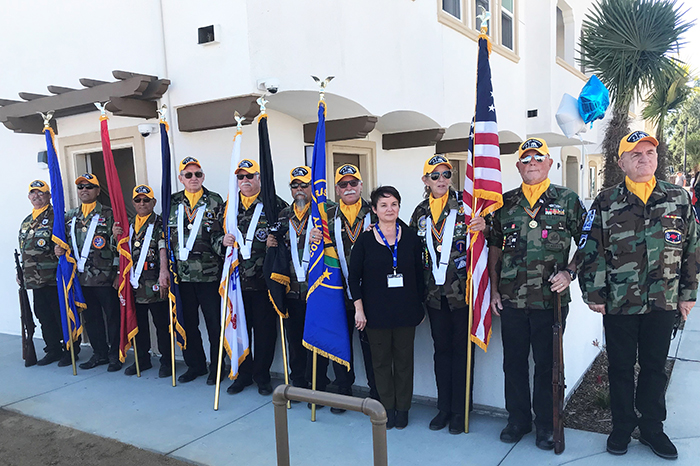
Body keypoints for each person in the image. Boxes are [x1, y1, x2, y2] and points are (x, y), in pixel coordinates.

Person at [578, 131, 700, 460]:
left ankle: (651, 429)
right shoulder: (606, 201)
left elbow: (692, 248)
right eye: (635, 154)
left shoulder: (678, 198)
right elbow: (593, 250)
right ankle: (621, 427)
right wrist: (594, 292)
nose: (644, 158)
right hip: (620, 301)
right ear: (622, 163)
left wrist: (688, 294)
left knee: (654, 366)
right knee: (619, 366)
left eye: (649, 153)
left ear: (657, 159)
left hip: (663, 300)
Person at [487, 138, 586, 450]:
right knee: (513, 362)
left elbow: (589, 241)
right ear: (518, 166)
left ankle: (546, 424)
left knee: (547, 365)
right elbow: (494, 248)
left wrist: (570, 272)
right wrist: (493, 289)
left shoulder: (568, 200)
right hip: (512, 299)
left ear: (549, 164)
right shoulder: (504, 203)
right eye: (526, 159)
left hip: (550, 301)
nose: (531, 163)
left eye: (537, 158)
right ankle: (518, 420)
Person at [409, 155, 483, 434]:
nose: (442, 180)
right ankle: (444, 407)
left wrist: (484, 229)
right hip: (433, 296)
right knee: (441, 352)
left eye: (446, 174)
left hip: (463, 295)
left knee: (462, 353)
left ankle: (461, 409)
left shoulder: (468, 206)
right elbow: (412, 251)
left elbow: (487, 245)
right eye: (435, 175)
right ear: (425, 181)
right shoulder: (419, 212)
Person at [350, 186, 425, 429]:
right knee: (380, 363)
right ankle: (387, 409)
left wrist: (420, 306)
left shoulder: (412, 237)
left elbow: (419, 274)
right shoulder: (364, 240)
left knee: (404, 362)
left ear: (399, 207)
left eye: (393, 204)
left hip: (406, 311)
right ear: (374, 210)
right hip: (375, 313)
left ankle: (402, 409)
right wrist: (359, 310)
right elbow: (354, 278)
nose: (389, 209)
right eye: (383, 205)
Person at [308, 163, 378, 412]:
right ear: (336, 190)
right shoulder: (326, 217)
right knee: (340, 341)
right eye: (343, 184)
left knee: (371, 346)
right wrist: (314, 237)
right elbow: (315, 253)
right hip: (337, 292)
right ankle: (343, 390)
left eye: (353, 183)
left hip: (370, 294)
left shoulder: (376, 212)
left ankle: (376, 393)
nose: (349, 188)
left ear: (361, 185)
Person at [225, 159, 288, 396]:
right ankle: (241, 375)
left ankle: (262, 376)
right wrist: (221, 242)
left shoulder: (274, 204)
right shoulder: (229, 206)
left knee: (264, 333)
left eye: (250, 176)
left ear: (259, 178)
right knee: (239, 331)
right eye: (241, 177)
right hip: (236, 284)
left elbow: (289, 237)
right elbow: (213, 237)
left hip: (264, 283)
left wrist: (277, 242)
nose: (245, 181)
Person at [168, 157, 226, 384]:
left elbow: (221, 232)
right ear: (181, 178)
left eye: (198, 174)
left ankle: (217, 367)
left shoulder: (215, 201)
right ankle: (195, 365)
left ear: (203, 177)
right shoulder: (172, 202)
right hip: (182, 277)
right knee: (188, 323)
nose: (194, 179)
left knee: (214, 325)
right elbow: (166, 236)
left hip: (209, 275)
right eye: (188, 175)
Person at [56, 174, 120, 371]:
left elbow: (119, 248)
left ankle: (115, 355)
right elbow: (63, 243)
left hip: (106, 278)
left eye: (90, 187)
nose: (84, 190)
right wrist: (58, 249)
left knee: (112, 317)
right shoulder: (70, 217)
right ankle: (99, 353)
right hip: (81, 279)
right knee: (91, 318)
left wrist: (118, 273)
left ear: (98, 191)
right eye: (81, 187)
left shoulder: (109, 214)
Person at [112, 185, 171, 377]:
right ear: (133, 203)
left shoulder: (160, 223)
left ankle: (167, 362)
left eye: (146, 200)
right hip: (133, 286)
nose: (142, 203)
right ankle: (142, 359)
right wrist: (115, 235)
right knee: (138, 325)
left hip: (154, 283)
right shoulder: (127, 225)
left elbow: (164, 248)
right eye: (138, 200)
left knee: (162, 325)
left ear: (153, 202)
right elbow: (119, 253)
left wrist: (164, 272)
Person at [267, 166, 313, 390]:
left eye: (304, 184)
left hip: (317, 289)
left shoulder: (325, 212)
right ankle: (299, 381)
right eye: (295, 185)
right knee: (294, 340)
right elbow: (278, 248)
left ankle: (319, 383)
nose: (299, 189)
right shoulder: (284, 215)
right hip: (292, 290)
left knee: (317, 339)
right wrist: (271, 245)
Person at [18, 180, 67, 366]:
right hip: (34, 280)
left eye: (41, 193)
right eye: (33, 193)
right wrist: (21, 272)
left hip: (53, 278)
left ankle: (69, 349)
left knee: (59, 314)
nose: (36, 196)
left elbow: (66, 243)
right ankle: (53, 349)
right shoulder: (26, 222)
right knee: (43, 316)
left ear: (49, 195)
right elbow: (24, 249)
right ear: (29, 196)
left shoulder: (57, 217)